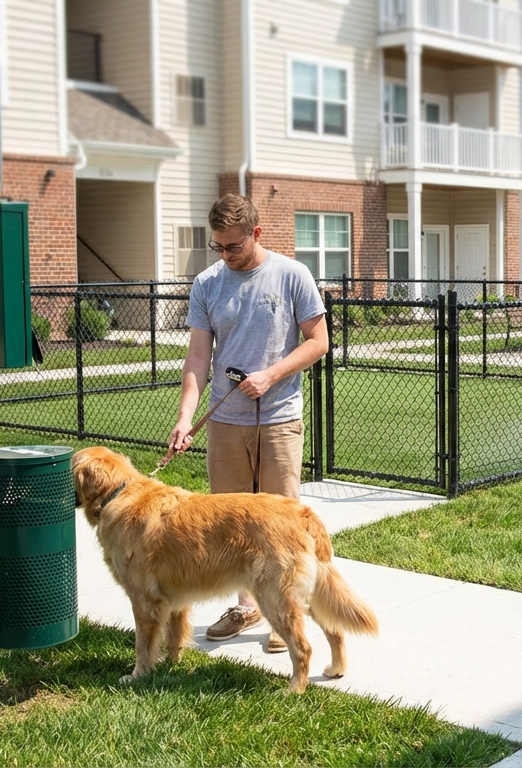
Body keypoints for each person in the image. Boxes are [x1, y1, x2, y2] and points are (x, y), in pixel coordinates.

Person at [167, 193, 329, 648]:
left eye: (233, 246)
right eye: (217, 247)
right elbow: (199, 356)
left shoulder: (292, 275)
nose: (225, 255)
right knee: (233, 525)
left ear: (256, 234)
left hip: (278, 416)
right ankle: (247, 606)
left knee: (282, 524)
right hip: (226, 422)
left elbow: (318, 341)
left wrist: (272, 374)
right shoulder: (207, 284)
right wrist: (185, 418)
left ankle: (288, 611)